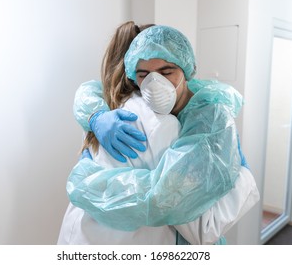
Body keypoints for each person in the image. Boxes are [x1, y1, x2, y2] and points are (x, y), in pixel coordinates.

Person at [58, 22, 259, 244]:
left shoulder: (205, 120)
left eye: (166, 72)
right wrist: (96, 118)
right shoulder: (126, 116)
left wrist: (89, 183)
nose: (155, 84)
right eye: (144, 74)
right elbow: (195, 221)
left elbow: (174, 205)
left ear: (186, 69)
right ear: (132, 74)